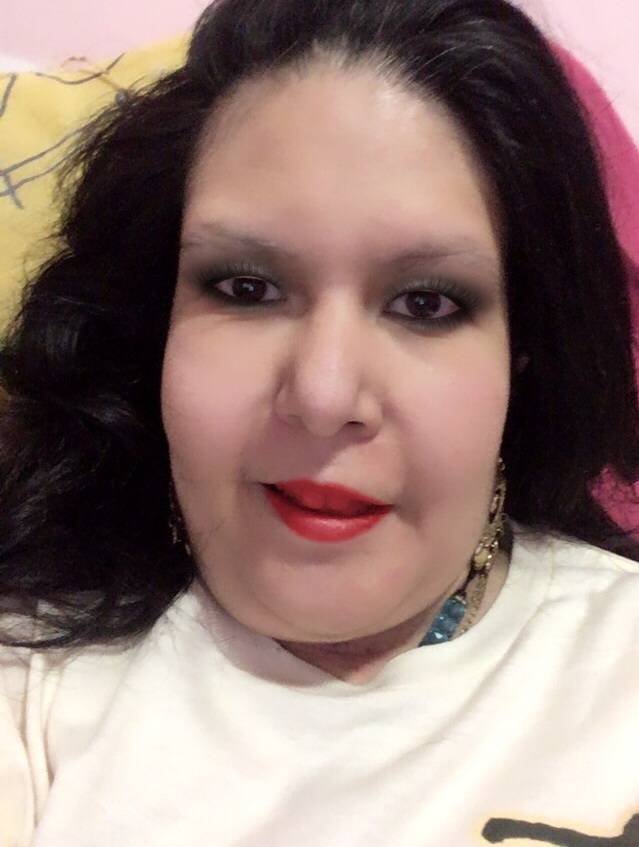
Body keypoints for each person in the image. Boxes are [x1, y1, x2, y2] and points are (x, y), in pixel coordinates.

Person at [1, 0, 639, 844]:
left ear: (520, 355)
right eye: (246, 288)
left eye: (426, 303)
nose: (324, 394)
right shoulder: (33, 682)